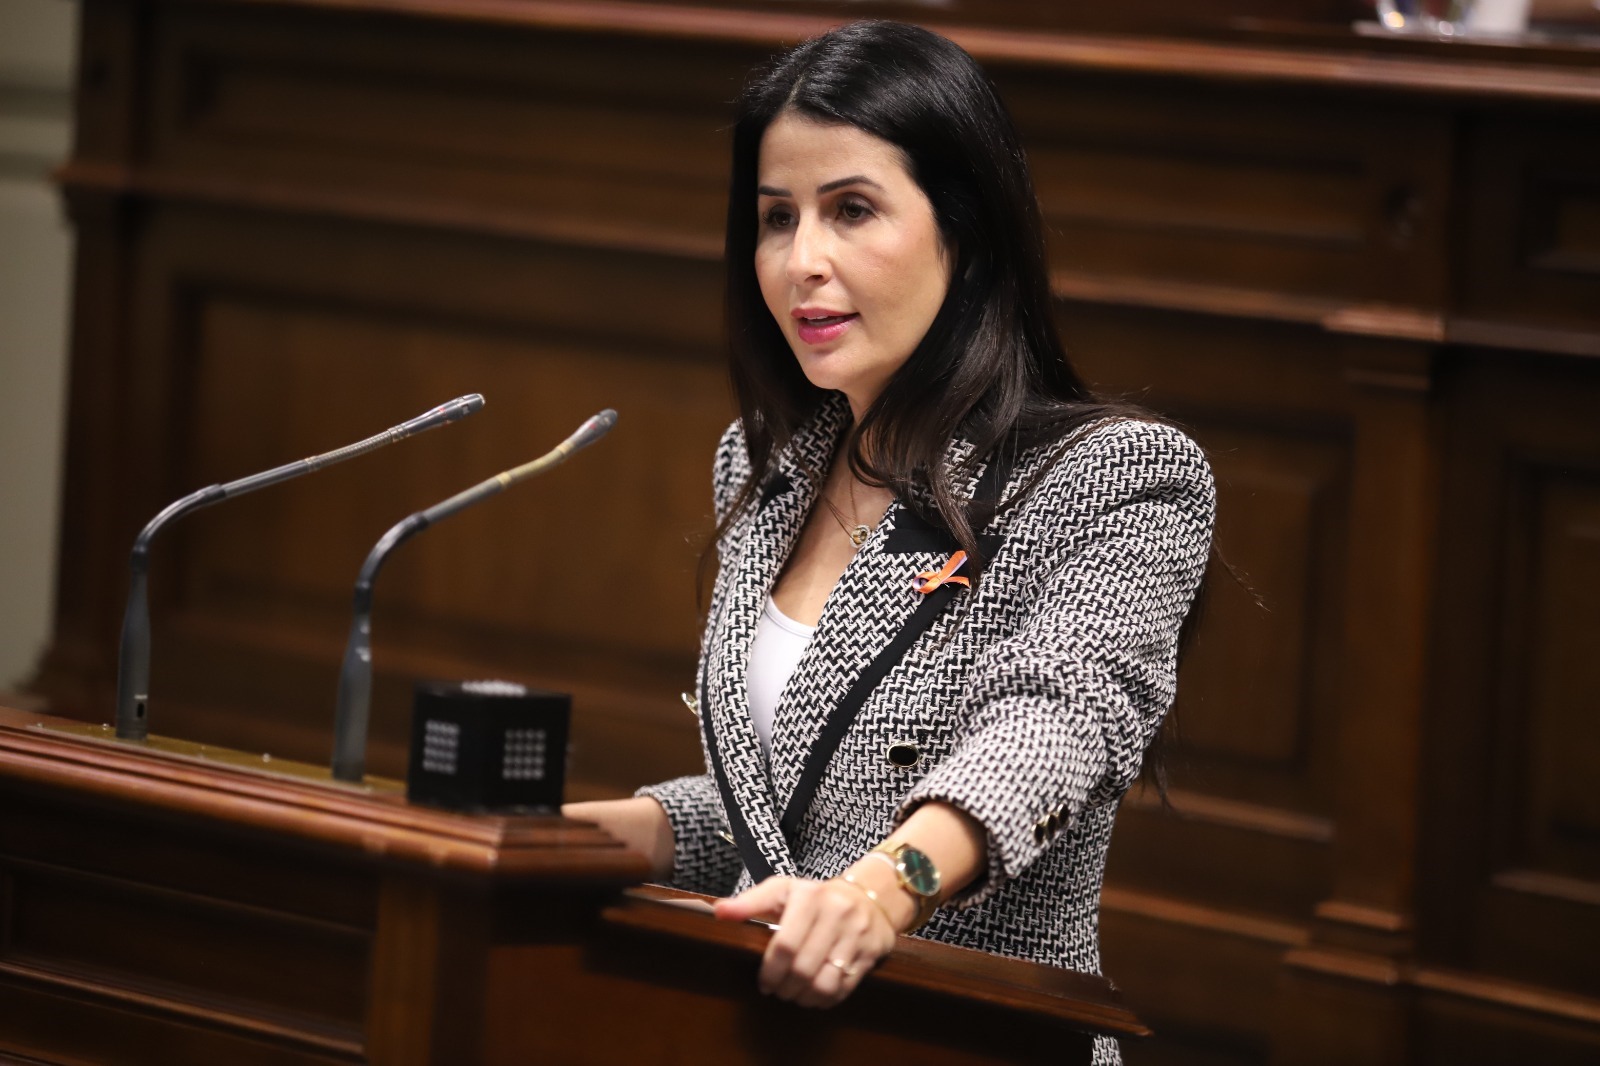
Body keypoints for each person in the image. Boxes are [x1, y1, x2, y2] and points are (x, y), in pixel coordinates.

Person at [564, 20, 1213, 1063]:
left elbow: (1055, 727)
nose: (802, 261)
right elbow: (789, 810)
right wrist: (554, 837)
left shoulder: (1113, 475)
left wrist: (883, 890)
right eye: (777, 218)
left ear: (967, 233)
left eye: (852, 210)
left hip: (975, 1037)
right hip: (768, 1028)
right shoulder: (765, 464)